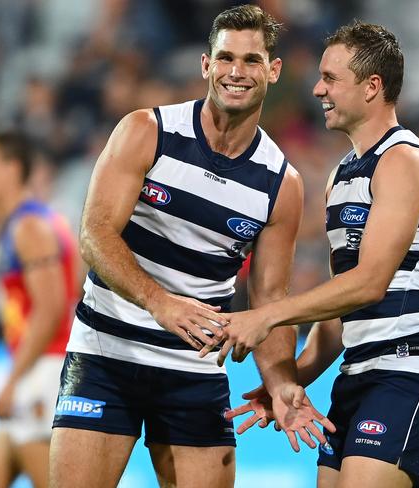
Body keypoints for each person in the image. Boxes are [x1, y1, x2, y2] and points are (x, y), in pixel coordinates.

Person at [49, 5, 334, 488]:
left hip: (193, 371)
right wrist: (160, 303)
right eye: (225, 58)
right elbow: (95, 236)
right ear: (206, 65)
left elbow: (268, 302)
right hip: (105, 354)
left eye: (250, 60)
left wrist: (285, 382)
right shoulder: (146, 131)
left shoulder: (281, 185)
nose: (236, 72)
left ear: (273, 70)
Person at [213, 21, 419, 488]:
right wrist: (289, 383)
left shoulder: (404, 160)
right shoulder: (341, 175)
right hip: (357, 376)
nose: (317, 88)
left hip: (407, 370)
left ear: (372, 87)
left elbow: (370, 282)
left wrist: (268, 317)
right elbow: (339, 310)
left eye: (330, 78)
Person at [0, 132, 79, 488]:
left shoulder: (29, 227)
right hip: (45, 365)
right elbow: (75, 286)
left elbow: (49, 311)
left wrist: (13, 381)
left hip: (43, 370)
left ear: (11, 169)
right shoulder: (44, 220)